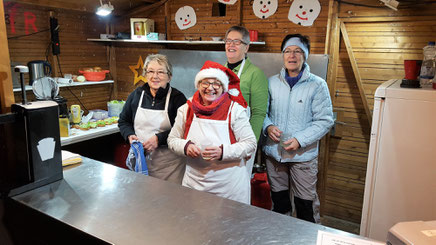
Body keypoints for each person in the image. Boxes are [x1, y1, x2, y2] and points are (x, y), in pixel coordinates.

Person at [262, 34, 334, 223]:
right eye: (287, 51)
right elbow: (261, 113)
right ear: (283, 54)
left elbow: (324, 120)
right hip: (274, 155)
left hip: (303, 157)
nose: (292, 56)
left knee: (305, 206)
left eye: (298, 51)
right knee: (279, 204)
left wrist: (299, 140)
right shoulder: (271, 82)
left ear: (306, 55)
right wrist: (268, 126)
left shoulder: (317, 85)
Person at [167, 61, 256, 204]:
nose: (210, 88)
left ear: (223, 88)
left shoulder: (235, 110)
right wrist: (185, 146)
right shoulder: (186, 109)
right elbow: (172, 140)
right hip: (195, 184)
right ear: (198, 84)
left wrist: (223, 152)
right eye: (205, 83)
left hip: (229, 188)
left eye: (216, 84)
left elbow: (250, 143)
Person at [118, 54, 187, 184]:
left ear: (169, 76)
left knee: (168, 201)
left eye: (160, 72)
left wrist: (159, 139)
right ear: (145, 74)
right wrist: (130, 135)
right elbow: (123, 121)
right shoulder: (136, 95)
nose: (155, 76)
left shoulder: (177, 98)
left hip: (169, 167)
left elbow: (184, 129)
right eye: (150, 71)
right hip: (141, 163)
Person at [224, 25, 269, 178]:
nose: (231, 45)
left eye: (237, 42)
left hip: (242, 142)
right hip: (221, 140)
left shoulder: (255, 74)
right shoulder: (219, 71)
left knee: (236, 187)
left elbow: (258, 113)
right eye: (228, 41)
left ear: (246, 47)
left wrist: (250, 146)